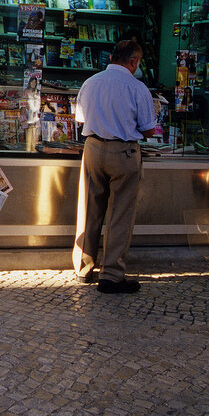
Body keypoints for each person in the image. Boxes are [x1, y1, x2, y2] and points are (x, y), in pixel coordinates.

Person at [72, 39, 157, 294]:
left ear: (111, 57)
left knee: (89, 208)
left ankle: (83, 268)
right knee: (120, 214)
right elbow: (149, 128)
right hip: (124, 151)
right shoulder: (137, 87)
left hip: (94, 148)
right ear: (133, 62)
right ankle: (111, 275)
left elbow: (81, 118)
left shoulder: (90, 83)